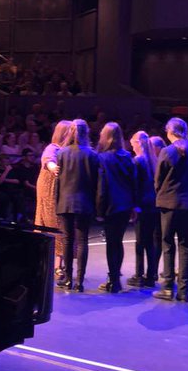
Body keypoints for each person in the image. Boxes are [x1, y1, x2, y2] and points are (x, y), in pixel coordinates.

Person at [153, 117, 188, 304]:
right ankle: (184, 290)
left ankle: (167, 288)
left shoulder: (166, 152)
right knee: (186, 246)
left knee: (167, 245)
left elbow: (158, 180)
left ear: (169, 132)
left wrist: (162, 193)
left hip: (169, 204)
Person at [55, 119, 99, 293]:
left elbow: (58, 182)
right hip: (84, 202)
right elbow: (96, 182)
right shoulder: (92, 155)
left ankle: (67, 279)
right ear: (86, 132)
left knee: (67, 240)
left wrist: (57, 202)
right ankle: (79, 280)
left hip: (65, 202)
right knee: (82, 241)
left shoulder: (62, 153)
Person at [95, 122, 136, 292]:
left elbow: (102, 186)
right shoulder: (127, 157)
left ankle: (113, 280)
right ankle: (115, 277)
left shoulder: (102, 158)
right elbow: (133, 183)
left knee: (111, 243)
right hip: (125, 205)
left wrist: (99, 209)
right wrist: (134, 206)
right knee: (117, 242)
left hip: (111, 205)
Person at [36, 120, 72, 282]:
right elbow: (48, 159)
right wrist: (52, 166)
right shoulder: (53, 148)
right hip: (49, 191)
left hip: (60, 191)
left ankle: (59, 263)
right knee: (52, 222)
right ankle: (56, 264)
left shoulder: (68, 150)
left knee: (60, 224)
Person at [128, 130, 160, 288]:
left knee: (140, 242)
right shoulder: (154, 161)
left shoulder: (138, 161)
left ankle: (139, 274)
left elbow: (134, 186)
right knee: (150, 241)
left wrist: (134, 205)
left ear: (138, 144)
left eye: (133, 144)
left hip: (142, 205)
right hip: (154, 205)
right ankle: (152, 274)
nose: (132, 147)